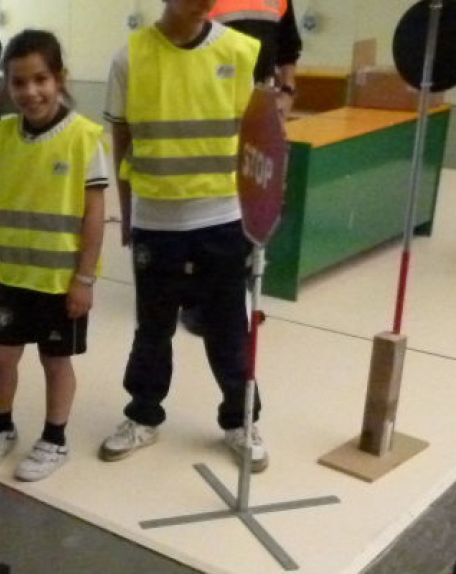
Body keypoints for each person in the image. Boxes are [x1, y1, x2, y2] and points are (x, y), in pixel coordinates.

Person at [100, 0, 269, 471]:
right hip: (158, 221)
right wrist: (128, 209)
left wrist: (259, 218)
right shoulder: (129, 58)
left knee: (228, 328)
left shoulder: (241, 53)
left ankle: (240, 420)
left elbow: (261, 142)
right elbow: (122, 139)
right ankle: (143, 415)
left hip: (223, 218)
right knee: (152, 328)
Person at [0, 29, 108, 482]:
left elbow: (94, 216)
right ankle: (1, 427)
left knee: (54, 361)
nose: (31, 92)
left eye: (41, 79)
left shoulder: (85, 138)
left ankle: (54, 438)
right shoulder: (5, 134)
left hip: (60, 282)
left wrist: (84, 280)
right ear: (8, 86)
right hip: (15, 274)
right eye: (19, 82)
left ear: (60, 78)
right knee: (2, 357)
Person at [179, 0, 304, 336]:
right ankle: (195, 300)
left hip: (260, 106)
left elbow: (289, 49)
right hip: (208, 106)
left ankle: (241, 292)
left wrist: (287, 93)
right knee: (207, 199)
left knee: (255, 198)